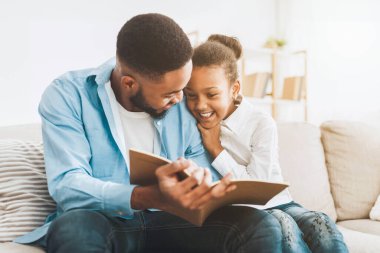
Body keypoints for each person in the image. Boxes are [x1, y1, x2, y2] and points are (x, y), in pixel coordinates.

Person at [14, 14, 284, 253]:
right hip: (104, 220)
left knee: (258, 225)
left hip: (174, 222)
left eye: (184, 89)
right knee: (73, 228)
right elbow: (67, 185)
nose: (182, 101)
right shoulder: (68, 95)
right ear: (129, 83)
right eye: (170, 93)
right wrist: (148, 196)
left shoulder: (183, 104)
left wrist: (201, 185)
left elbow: (199, 159)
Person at [185, 34, 349, 253]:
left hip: (280, 201)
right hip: (251, 214)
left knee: (321, 223)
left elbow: (257, 188)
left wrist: (217, 149)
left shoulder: (261, 123)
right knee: (284, 226)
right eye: (191, 95)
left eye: (212, 94)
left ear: (234, 90)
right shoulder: (191, 124)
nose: (200, 105)